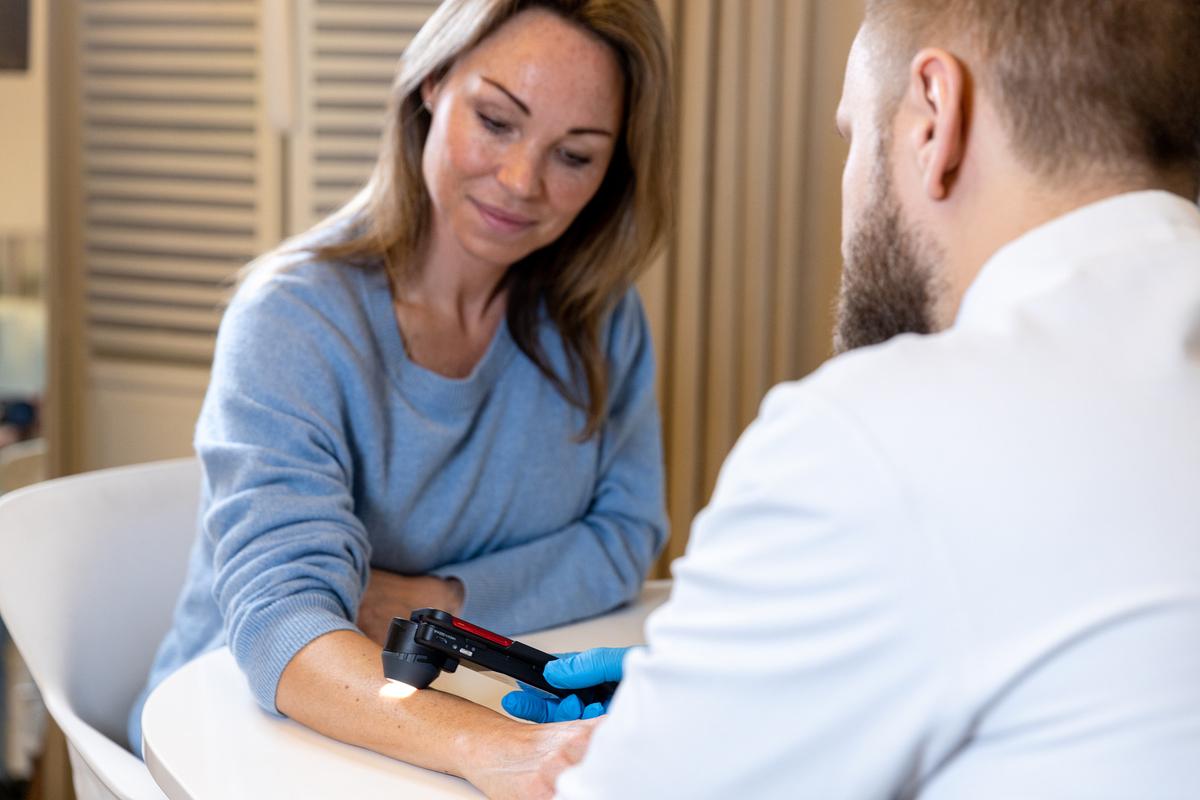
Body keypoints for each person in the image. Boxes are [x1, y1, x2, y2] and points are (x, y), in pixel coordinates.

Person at [504, 0, 1200, 796]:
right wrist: (745, 691)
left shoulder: (877, 437)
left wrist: (678, 732)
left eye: (853, 135)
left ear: (933, 117)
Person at [128, 0, 674, 796]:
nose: (522, 181)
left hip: (436, 715)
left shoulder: (600, 319)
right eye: (496, 120)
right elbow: (286, 622)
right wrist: (498, 748)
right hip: (236, 742)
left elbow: (626, 537)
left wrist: (435, 605)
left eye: (575, 155)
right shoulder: (291, 318)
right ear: (430, 84)